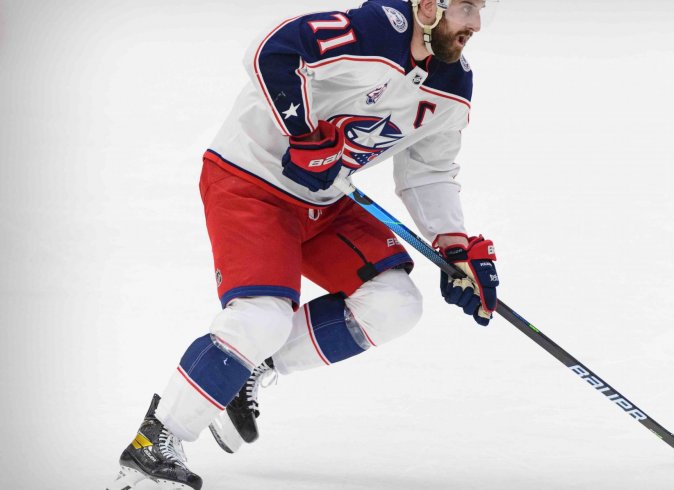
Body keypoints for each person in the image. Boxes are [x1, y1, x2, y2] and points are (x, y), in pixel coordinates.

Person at [107, 1, 499, 488]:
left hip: (326, 198)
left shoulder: (453, 85)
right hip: (250, 180)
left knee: (396, 305)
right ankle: (155, 439)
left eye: (483, 9)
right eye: (465, 8)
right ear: (427, 6)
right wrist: (301, 134)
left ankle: (243, 371)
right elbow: (272, 51)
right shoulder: (370, 31)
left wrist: (455, 250)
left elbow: (429, 171)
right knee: (261, 317)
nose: (476, 25)